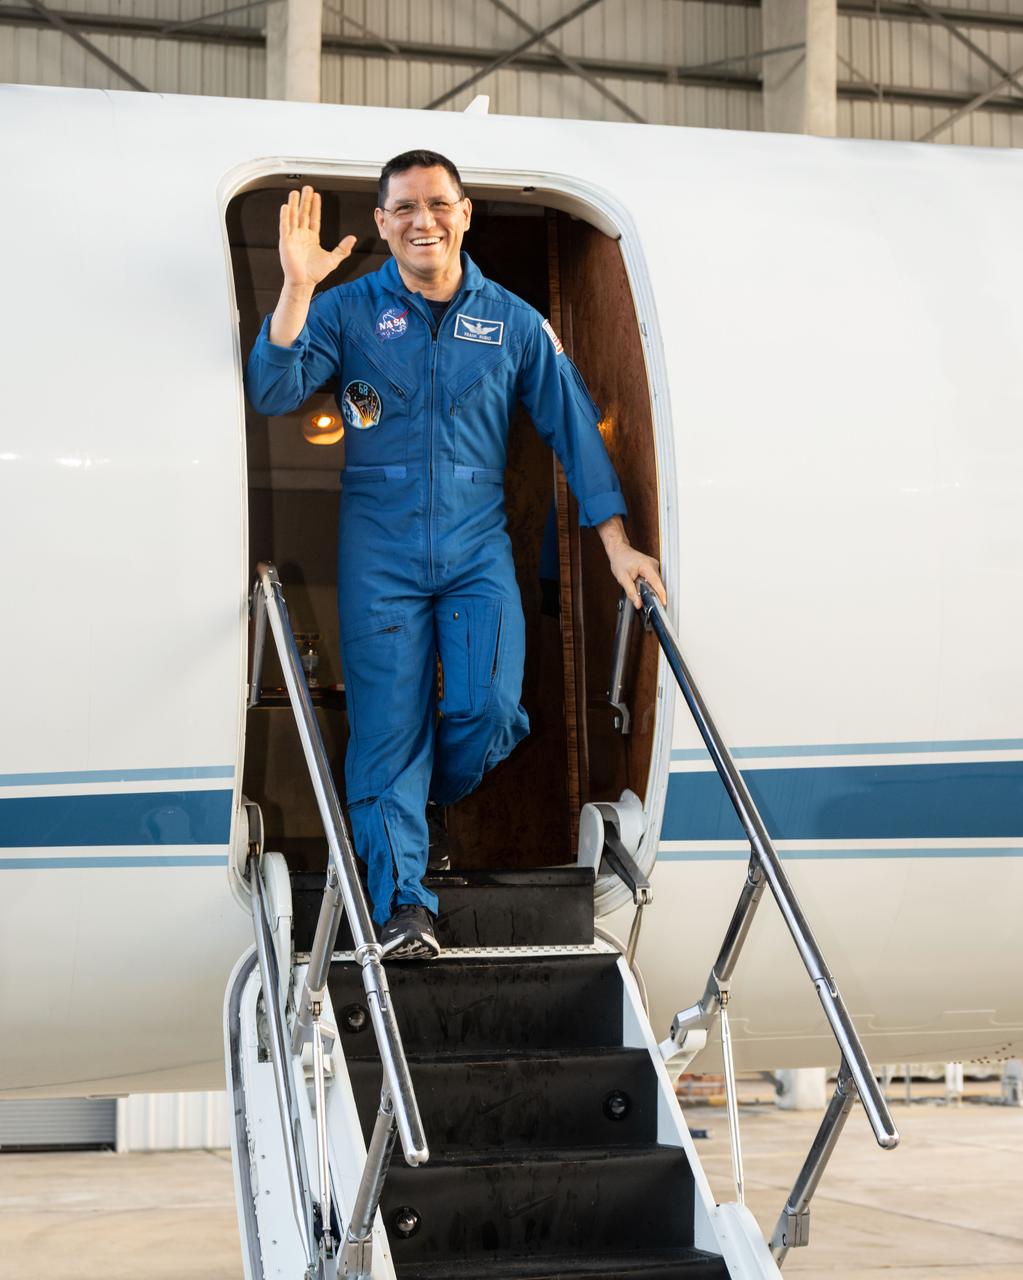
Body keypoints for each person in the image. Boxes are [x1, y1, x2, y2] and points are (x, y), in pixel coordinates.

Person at [245, 150, 665, 958]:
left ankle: (414, 800)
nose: (421, 220)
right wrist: (297, 288)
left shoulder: (511, 323)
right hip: (380, 548)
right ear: (380, 225)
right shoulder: (345, 311)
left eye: (436, 204)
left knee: (488, 711)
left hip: (477, 548)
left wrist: (616, 545)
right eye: (401, 208)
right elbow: (273, 389)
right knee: (384, 733)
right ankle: (404, 903)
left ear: (465, 213)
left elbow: (574, 429)